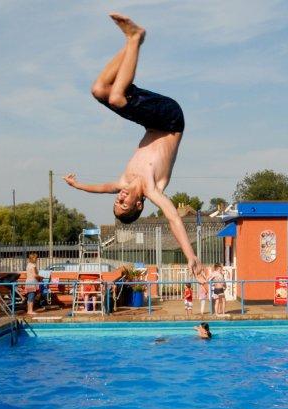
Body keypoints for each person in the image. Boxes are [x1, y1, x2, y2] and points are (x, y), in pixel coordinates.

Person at [64, 13, 204, 284]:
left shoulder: (124, 181)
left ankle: (131, 42)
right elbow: (174, 219)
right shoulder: (153, 189)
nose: (120, 198)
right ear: (139, 204)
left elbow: (102, 188)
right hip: (171, 119)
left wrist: (78, 186)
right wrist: (190, 255)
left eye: (117, 202)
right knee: (116, 97)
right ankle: (135, 38)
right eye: (124, 204)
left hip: (152, 121)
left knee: (99, 89)